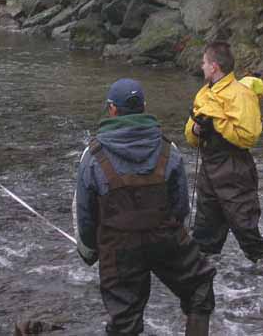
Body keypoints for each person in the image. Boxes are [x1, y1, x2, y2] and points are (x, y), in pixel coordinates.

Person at [74, 78, 215, 335]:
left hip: (118, 250)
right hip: (166, 239)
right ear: (144, 107)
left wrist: (91, 252)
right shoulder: (169, 149)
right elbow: (181, 207)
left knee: (124, 323)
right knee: (200, 289)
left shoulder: (91, 156)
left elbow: (85, 216)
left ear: (112, 109)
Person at [185, 41, 263, 263]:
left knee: (244, 226)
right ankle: (203, 273)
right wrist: (196, 129)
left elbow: (248, 136)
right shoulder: (204, 93)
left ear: (214, 66)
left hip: (234, 168)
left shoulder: (241, 95)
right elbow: (190, 135)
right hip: (209, 167)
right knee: (205, 230)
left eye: (204, 62)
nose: (202, 66)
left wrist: (216, 122)